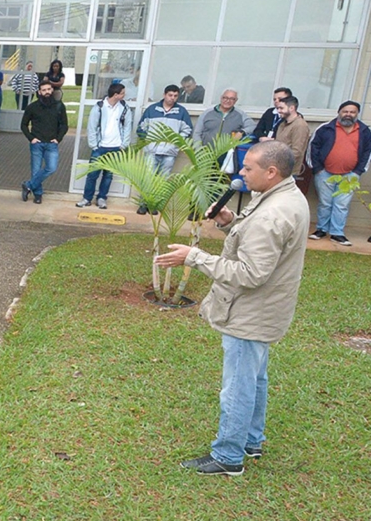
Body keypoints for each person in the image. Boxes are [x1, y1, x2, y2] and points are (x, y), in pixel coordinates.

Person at [155, 141, 309, 476]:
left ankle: (228, 456)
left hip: (251, 312)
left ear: (271, 172)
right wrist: (232, 221)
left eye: (247, 168)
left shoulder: (272, 213)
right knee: (255, 378)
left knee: (239, 384)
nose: (240, 173)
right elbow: (261, 245)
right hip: (266, 310)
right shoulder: (285, 196)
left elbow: (250, 274)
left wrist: (192, 257)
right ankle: (251, 440)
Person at [307, 101, 371, 247]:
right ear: (339, 112)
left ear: (357, 114)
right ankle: (321, 230)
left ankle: (337, 233)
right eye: (345, 111)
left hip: (350, 175)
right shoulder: (325, 128)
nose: (348, 114)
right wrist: (317, 169)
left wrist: (357, 172)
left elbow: (368, 152)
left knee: (342, 205)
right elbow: (313, 147)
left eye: (352, 112)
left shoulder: (364, 131)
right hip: (325, 173)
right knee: (325, 203)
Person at [137, 84, 194, 213]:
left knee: (163, 179)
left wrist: (176, 143)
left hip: (169, 152)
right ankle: (143, 203)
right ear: (164, 95)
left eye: (175, 96)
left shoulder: (181, 112)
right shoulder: (152, 109)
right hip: (152, 150)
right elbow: (141, 129)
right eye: (170, 95)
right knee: (147, 177)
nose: (172, 98)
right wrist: (148, 142)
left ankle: (155, 205)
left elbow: (188, 130)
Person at [78, 82, 131, 210]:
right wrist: (94, 145)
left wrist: (123, 145)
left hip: (116, 147)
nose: (125, 95)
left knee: (108, 175)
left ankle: (102, 198)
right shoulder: (100, 107)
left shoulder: (124, 108)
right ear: (116, 94)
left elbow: (127, 126)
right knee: (92, 175)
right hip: (100, 147)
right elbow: (92, 126)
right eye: (122, 93)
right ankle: (87, 198)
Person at [19, 81, 68, 206]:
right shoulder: (32, 107)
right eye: (44, 90)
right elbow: (23, 125)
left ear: (52, 90)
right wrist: (31, 138)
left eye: (49, 89)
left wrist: (58, 138)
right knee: (36, 170)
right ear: (39, 92)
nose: (47, 92)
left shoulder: (59, 106)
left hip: (52, 144)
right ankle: (38, 195)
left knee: (51, 168)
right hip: (37, 143)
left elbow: (64, 125)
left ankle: (28, 185)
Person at [273, 95, 309, 179]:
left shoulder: (300, 125)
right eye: (278, 108)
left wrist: (281, 164)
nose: (278, 111)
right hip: (278, 168)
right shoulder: (282, 124)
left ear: (292, 108)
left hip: (288, 171)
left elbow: (297, 151)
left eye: (281, 108)